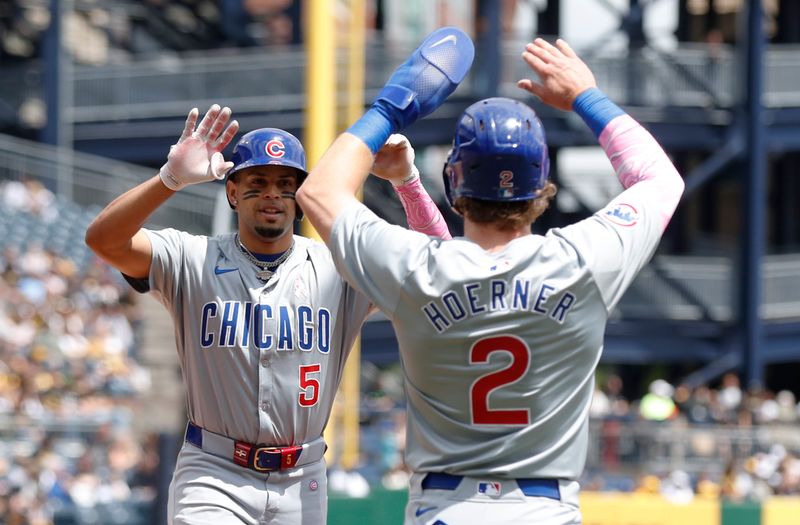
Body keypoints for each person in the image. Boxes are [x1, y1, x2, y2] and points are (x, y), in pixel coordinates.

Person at [296, 27, 685, 524]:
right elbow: (660, 178)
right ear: (543, 181)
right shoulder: (582, 261)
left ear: (455, 179)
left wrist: (393, 109)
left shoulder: (419, 268)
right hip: (546, 507)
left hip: (444, 505)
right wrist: (586, 96)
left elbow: (319, 194)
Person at [84, 104, 450, 524]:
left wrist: (407, 181)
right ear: (233, 192)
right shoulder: (192, 256)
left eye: (285, 183)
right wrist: (171, 179)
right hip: (213, 473)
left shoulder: (340, 264)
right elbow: (104, 240)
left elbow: (437, 265)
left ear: (302, 196)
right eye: (258, 182)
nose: (273, 194)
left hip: (303, 477)